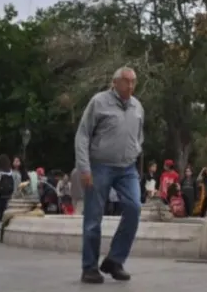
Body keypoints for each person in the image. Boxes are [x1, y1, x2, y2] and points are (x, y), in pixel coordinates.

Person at [75, 66, 144, 284]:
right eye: (126, 81)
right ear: (115, 82)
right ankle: (89, 268)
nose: (130, 86)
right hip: (100, 166)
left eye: (133, 81)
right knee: (93, 218)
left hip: (127, 168)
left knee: (134, 208)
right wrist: (84, 167)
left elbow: (139, 135)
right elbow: (83, 135)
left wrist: (135, 150)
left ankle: (115, 260)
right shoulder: (99, 102)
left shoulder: (137, 106)